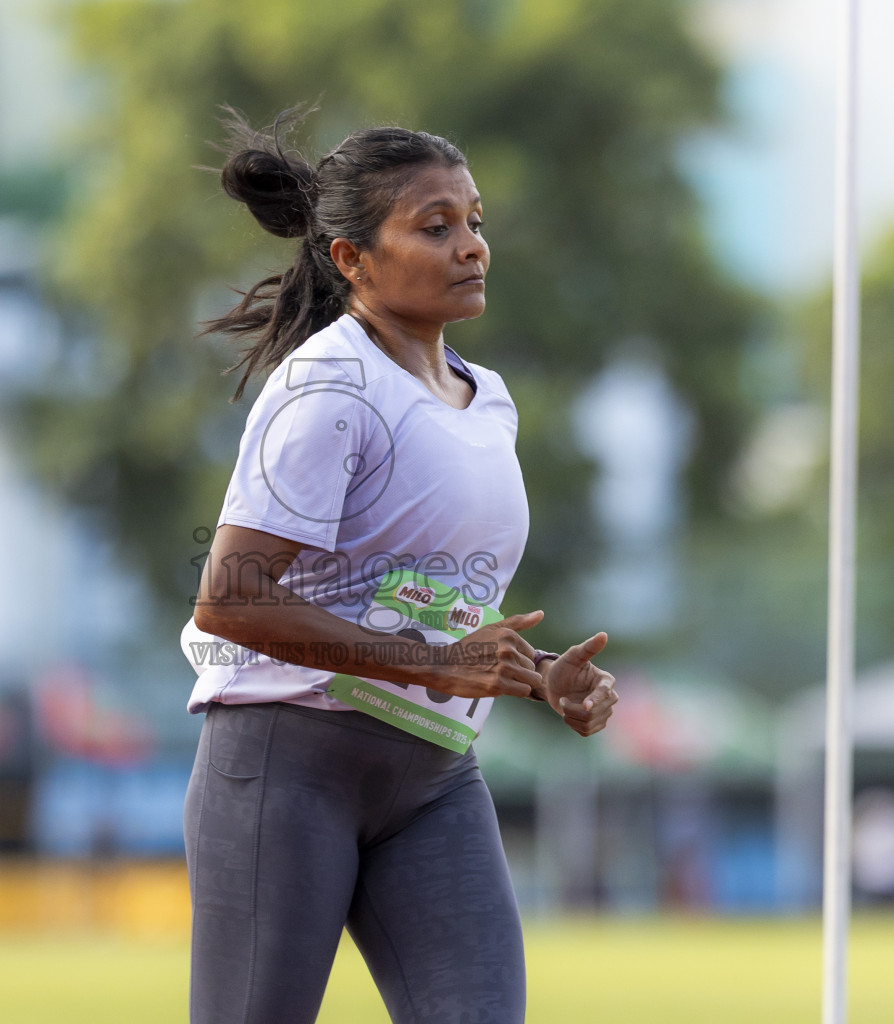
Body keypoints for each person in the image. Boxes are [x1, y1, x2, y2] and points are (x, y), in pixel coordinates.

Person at [181, 106, 619, 1024]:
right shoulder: (328, 389)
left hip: (431, 779)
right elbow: (228, 599)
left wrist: (536, 678)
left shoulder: (486, 398)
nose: (472, 247)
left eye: (474, 221)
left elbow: (419, 596)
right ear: (351, 260)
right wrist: (432, 665)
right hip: (288, 766)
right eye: (435, 226)